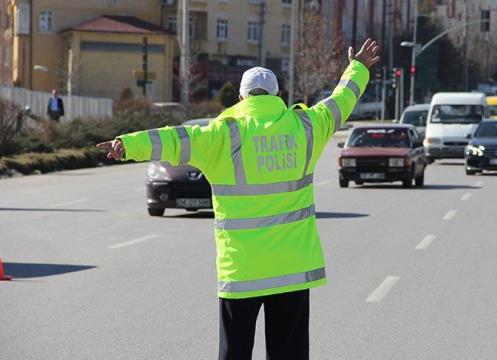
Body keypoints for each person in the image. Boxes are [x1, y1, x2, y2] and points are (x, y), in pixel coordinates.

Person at [97, 39, 380, 360]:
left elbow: (176, 138)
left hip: (242, 270)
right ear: (278, 95)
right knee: (289, 353)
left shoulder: (223, 134)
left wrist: (127, 144)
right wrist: (357, 67)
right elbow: (340, 102)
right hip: (292, 268)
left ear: (242, 97)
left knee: (234, 352)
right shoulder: (306, 127)